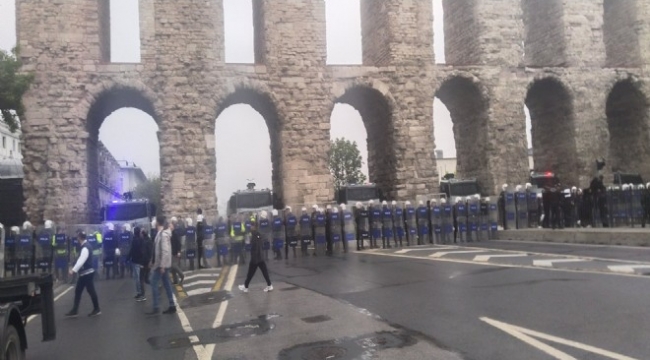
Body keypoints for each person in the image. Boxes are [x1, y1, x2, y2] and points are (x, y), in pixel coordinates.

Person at [65, 231, 101, 317]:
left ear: (79, 238)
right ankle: (76, 310)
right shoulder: (86, 246)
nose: (77, 239)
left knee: (88, 291)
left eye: (77, 237)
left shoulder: (85, 248)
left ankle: (96, 309)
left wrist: (73, 270)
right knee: (80, 291)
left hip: (87, 273)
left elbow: (81, 261)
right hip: (86, 273)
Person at [147, 216, 176, 315]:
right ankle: (172, 305)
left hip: (161, 264)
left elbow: (165, 251)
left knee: (153, 282)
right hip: (160, 263)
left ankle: (156, 307)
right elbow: (156, 249)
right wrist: (152, 260)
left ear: (158, 223)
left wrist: (162, 265)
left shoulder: (163, 235)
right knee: (167, 283)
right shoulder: (161, 234)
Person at [238, 220, 273, 293]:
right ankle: (269, 285)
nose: (250, 227)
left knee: (251, 273)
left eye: (251, 226)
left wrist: (254, 257)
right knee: (261, 272)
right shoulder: (256, 234)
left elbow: (256, 246)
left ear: (254, 227)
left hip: (256, 258)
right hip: (259, 257)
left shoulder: (255, 235)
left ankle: (246, 286)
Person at [128, 226, 149, 302]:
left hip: (136, 261)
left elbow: (132, 250)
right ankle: (139, 293)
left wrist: (128, 258)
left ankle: (141, 293)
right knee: (138, 278)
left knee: (138, 279)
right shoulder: (141, 240)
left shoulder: (135, 240)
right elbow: (142, 252)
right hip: (138, 261)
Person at [169, 218, 185, 284]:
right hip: (172, 252)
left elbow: (178, 243)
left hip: (175, 252)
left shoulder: (174, 234)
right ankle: (175, 280)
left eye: (170, 226)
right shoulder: (171, 234)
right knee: (172, 268)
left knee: (174, 266)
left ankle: (181, 275)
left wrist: (179, 251)